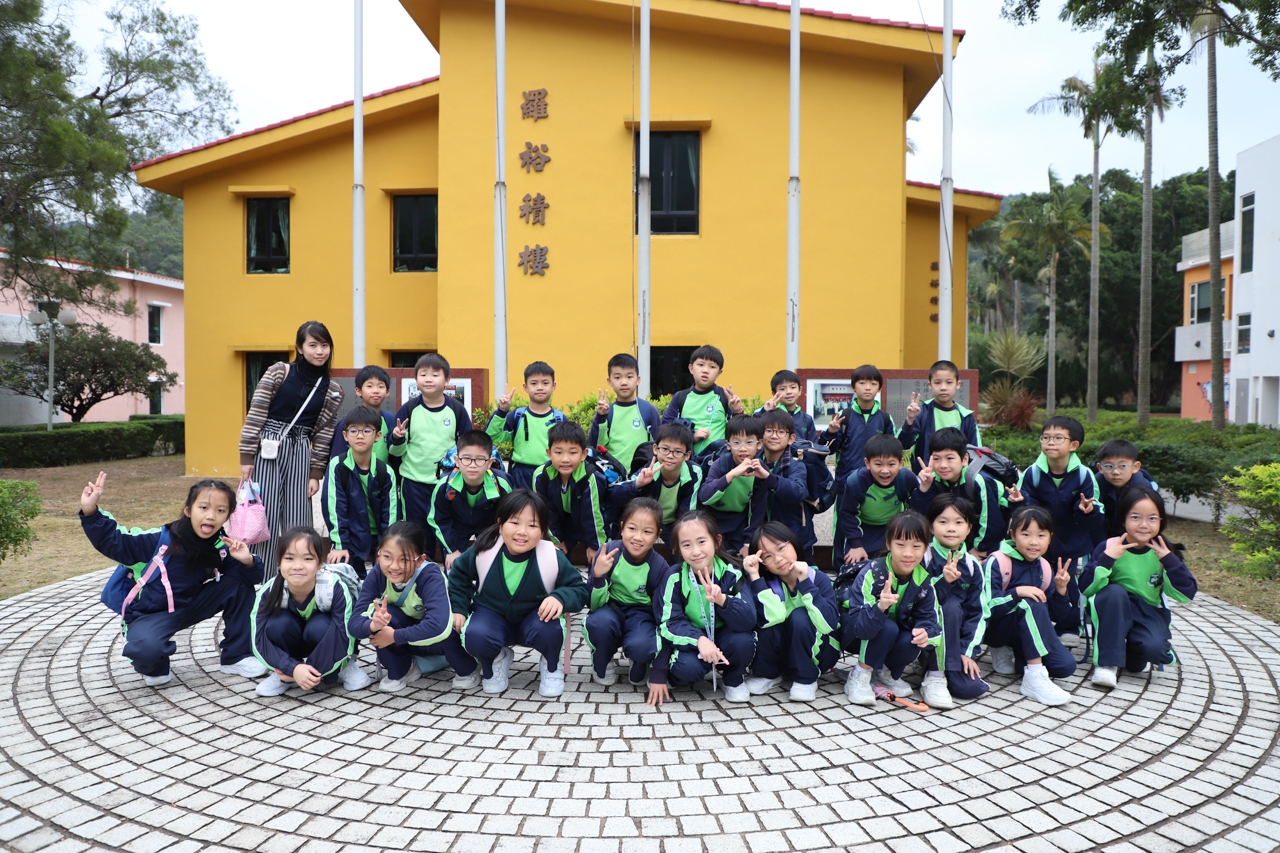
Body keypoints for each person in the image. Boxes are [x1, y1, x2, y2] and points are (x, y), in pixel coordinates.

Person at [83, 473, 266, 687]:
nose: (211, 516)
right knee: (148, 655)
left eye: (220, 510)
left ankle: (236, 657)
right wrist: (90, 511)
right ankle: (156, 663)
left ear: (227, 516)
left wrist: (247, 561)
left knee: (240, 582)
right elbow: (115, 541)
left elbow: (251, 578)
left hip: (190, 605)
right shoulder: (158, 541)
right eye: (203, 507)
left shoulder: (221, 547)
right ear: (188, 510)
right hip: (152, 614)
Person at [446, 490, 589, 698]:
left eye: (532, 525)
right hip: (492, 616)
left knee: (550, 628)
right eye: (514, 522)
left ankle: (551, 665)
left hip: (535, 620)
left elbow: (579, 589)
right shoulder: (484, 549)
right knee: (474, 634)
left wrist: (559, 597)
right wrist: (459, 608)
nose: (522, 532)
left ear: (543, 531)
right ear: (500, 523)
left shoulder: (551, 556)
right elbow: (458, 575)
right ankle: (496, 659)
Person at [239, 321, 344, 578]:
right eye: (313, 345)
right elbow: (256, 413)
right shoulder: (279, 372)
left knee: (300, 518)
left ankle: (300, 578)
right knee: (264, 517)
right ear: (299, 348)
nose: (319, 351)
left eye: (324, 345)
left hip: (301, 449)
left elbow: (323, 435)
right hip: (268, 447)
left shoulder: (332, 390)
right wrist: (246, 456)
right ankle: (260, 580)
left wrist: (315, 473)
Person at [1083, 487, 1196, 688]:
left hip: (1147, 612)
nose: (1144, 525)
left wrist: (1170, 562)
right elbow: (1085, 587)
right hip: (1113, 608)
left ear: (1161, 521)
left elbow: (1186, 595)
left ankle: (1130, 652)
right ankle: (1107, 665)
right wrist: (1106, 560)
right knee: (1115, 591)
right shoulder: (1109, 546)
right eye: (1135, 517)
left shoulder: (1164, 552)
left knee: (1148, 654)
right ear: (1123, 519)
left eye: (1152, 518)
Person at [966, 505, 1077, 707]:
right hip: (997, 628)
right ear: (1013, 535)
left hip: (1025, 633)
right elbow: (986, 607)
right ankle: (1034, 675)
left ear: (1050, 537)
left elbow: (1057, 616)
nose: (1034, 542)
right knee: (1030, 603)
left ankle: (1022, 661)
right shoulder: (998, 561)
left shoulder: (1045, 567)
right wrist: (1017, 593)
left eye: (1041, 535)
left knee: (1065, 667)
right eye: (1026, 534)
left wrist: (1061, 590)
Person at [1007, 416, 1104, 645]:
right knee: (1034, 577)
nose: (1050, 442)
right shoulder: (1032, 472)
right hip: (1038, 539)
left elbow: (1094, 510)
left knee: (1066, 580)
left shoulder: (1084, 475)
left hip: (1070, 541)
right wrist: (1019, 502)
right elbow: (1025, 510)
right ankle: (1033, 621)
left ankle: (1069, 626)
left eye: (1058, 438)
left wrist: (1085, 510)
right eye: (1046, 437)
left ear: (1074, 445)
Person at [348, 521, 475, 692]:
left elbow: (439, 627)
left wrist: (395, 636)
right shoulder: (378, 574)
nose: (394, 566)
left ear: (420, 560)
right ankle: (402, 669)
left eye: (404, 559)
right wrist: (373, 625)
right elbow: (354, 623)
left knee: (450, 624)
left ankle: (468, 668)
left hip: (439, 641)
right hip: (410, 638)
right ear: (378, 554)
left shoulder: (429, 575)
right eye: (387, 557)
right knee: (383, 617)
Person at [649, 511, 757, 705]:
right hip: (693, 641)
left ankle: (733, 679)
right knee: (687, 668)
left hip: (725, 636)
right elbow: (668, 623)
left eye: (701, 542)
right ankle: (680, 677)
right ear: (677, 549)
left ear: (717, 541)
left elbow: (749, 619)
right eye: (686, 545)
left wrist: (723, 600)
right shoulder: (674, 577)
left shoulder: (732, 573)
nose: (696, 551)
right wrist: (699, 639)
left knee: (743, 641)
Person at [251, 527, 372, 696]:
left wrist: (310, 671)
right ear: (279, 562)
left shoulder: (334, 587)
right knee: (276, 625)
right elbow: (258, 640)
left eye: (307, 558)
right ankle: (283, 676)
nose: (297, 566)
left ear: (319, 564)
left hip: (323, 637)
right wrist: (292, 669)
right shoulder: (270, 591)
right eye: (289, 558)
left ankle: (342, 667)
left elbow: (345, 634)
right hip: (293, 642)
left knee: (320, 626)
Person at [839, 511, 940, 706]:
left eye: (916, 546)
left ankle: (883, 672)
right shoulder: (873, 574)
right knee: (888, 627)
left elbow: (932, 622)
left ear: (926, 548)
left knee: (912, 637)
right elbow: (860, 626)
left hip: (889, 638)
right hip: (856, 636)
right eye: (900, 544)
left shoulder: (924, 582)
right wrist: (880, 607)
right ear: (888, 544)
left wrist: (926, 632)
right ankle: (860, 675)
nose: (908, 553)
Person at [741, 521, 840, 702]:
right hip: (785, 653)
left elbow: (828, 625)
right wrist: (754, 576)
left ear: (793, 544)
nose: (778, 559)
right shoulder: (766, 584)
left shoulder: (817, 578)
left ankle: (805, 678)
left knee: (800, 616)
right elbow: (772, 617)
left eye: (781, 548)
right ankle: (768, 674)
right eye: (768, 556)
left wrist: (805, 584)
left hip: (820, 653)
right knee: (765, 619)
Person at [583, 498, 670, 687]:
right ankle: (602, 658)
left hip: (642, 614)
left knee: (641, 654)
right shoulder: (608, 553)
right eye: (632, 528)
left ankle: (638, 659)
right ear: (622, 528)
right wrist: (598, 575)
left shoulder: (659, 566)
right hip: (610, 608)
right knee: (600, 623)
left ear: (658, 535)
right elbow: (593, 604)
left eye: (647, 532)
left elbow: (661, 613)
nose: (638, 537)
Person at [388, 353, 473, 540]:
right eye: (423, 374)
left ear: (447, 380)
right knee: (415, 533)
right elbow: (394, 451)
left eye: (435, 375)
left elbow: (467, 447)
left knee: (447, 530)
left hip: (447, 482)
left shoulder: (457, 410)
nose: (428, 379)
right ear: (416, 380)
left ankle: (449, 558)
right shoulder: (408, 409)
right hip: (413, 483)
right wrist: (397, 437)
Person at [919, 493, 989, 708]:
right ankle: (935, 674)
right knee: (948, 605)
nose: (951, 528)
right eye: (943, 522)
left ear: (969, 529)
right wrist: (943, 582)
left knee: (969, 689)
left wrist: (967, 651)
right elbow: (916, 599)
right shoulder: (923, 556)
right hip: (923, 636)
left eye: (959, 522)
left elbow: (979, 612)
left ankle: (951, 665)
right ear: (931, 527)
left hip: (955, 643)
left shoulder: (972, 564)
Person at [822, 365, 898, 558]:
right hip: (847, 483)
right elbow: (829, 449)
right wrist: (831, 432)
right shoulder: (844, 416)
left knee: (875, 524)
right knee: (843, 525)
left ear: (880, 388)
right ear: (853, 386)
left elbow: (895, 448)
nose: (867, 387)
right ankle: (840, 565)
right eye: (862, 383)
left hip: (878, 483)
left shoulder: (885, 418)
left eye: (873, 383)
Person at [321, 406, 399, 578]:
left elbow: (390, 514)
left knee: (386, 574)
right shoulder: (338, 465)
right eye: (354, 430)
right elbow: (334, 507)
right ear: (345, 435)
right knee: (341, 572)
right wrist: (340, 544)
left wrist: (386, 547)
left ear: (378, 436)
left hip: (378, 536)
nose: (360, 436)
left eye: (367, 430)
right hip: (349, 535)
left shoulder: (385, 471)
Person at [909, 427, 1004, 558]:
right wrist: (924, 487)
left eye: (949, 458)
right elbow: (917, 515)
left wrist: (979, 548)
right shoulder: (933, 479)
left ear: (964, 459)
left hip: (983, 546)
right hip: (953, 543)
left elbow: (991, 521)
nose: (943, 465)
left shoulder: (979, 481)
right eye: (936, 459)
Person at [429, 430, 513, 569]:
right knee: (453, 565)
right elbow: (438, 519)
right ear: (457, 460)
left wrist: (496, 544)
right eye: (467, 458)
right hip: (457, 525)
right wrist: (451, 550)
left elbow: (508, 517)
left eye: (480, 459)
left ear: (489, 462)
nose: (472, 465)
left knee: (491, 565)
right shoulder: (445, 485)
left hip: (489, 526)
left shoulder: (502, 485)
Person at [531, 421, 610, 564]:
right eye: (558, 452)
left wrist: (595, 546)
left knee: (597, 560)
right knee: (557, 559)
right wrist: (557, 540)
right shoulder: (541, 476)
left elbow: (593, 515)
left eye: (573, 452)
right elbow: (546, 512)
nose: (565, 459)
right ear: (549, 453)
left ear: (583, 454)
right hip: (561, 523)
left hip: (586, 524)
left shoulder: (590, 477)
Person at [609, 423, 701, 543]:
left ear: (687, 455)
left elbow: (688, 512)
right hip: (643, 523)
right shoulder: (648, 470)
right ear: (655, 449)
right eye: (665, 449)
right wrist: (638, 483)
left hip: (672, 525)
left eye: (678, 451)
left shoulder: (694, 472)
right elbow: (614, 496)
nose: (670, 456)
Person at [836, 434, 920, 563]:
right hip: (863, 528)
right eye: (878, 464)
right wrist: (856, 544)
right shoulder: (856, 482)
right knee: (854, 563)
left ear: (900, 463)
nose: (885, 470)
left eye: (891, 464)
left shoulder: (907, 479)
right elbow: (848, 513)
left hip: (894, 526)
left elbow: (915, 509)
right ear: (867, 463)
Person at [697, 414, 771, 555]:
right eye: (736, 442)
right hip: (711, 519)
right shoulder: (721, 464)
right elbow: (705, 497)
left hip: (739, 523)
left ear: (759, 444)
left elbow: (758, 511)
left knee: (738, 560)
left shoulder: (760, 471)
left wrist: (748, 543)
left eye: (749, 442)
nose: (743, 448)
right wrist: (731, 475)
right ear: (728, 445)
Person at [487, 361, 567, 490]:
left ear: (554, 386)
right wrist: (502, 411)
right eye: (534, 383)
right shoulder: (517, 416)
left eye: (545, 383)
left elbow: (567, 448)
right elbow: (491, 436)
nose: (540, 387)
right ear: (525, 387)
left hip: (551, 473)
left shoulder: (560, 418)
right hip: (520, 475)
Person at [660, 345, 744, 457]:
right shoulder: (680, 397)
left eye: (712, 367)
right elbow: (665, 431)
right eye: (700, 365)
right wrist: (692, 437)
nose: (705, 370)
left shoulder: (725, 396)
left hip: (718, 461)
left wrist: (736, 411)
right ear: (691, 368)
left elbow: (740, 433)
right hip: (686, 461)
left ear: (719, 373)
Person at [897, 360, 979, 471]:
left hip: (957, 478)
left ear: (958, 384)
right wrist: (910, 420)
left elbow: (975, 453)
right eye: (937, 382)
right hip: (926, 476)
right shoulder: (922, 412)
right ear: (929, 385)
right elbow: (902, 445)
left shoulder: (965, 416)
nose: (943, 387)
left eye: (949, 382)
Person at [589, 353, 662, 472]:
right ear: (609, 381)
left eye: (629, 376)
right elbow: (596, 446)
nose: (624, 382)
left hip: (642, 476)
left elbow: (659, 447)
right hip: (613, 477)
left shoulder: (648, 410)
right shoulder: (607, 412)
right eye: (617, 377)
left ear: (638, 379)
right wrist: (601, 417)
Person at [756, 409, 814, 559]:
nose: (774, 436)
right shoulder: (753, 461)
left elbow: (798, 492)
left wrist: (769, 477)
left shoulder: (796, 465)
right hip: (763, 539)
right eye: (769, 430)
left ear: (791, 438)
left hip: (794, 538)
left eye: (781, 432)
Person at [329, 365, 395, 464]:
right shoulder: (348, 421)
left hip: (382, 473)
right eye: (369, 386)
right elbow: (338, 456)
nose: (376, 391)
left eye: (381, 386)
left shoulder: (389, 419)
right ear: (358, 391)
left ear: (387, 392)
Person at [1094, 439, 1159, 538]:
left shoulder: (1142, 487)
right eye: (1109, 466)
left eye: (1122, 466)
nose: (1116, 472)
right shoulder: (1096, 485)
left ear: (1135, 467)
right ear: (1100, 468)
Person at [754, 369, 818, 442]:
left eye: (793, 387)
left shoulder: (807, 419)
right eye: (782, 389)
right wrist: (765, 411)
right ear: (774, 394)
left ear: (800, 390)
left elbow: (814, 444)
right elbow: (754, 429)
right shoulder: (769, 414)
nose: (789, 392)